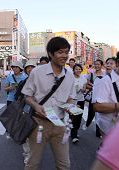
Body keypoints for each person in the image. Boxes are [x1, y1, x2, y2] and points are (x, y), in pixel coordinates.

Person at [22, 36, 75, 170]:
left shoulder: (69, 75)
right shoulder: (37, 72)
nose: (64, 55)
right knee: (32, 164)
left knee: (64, 165)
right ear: (51, 54)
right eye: (60, 52)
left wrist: (70, 106)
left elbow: (70, 97)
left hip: (59, 123)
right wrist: (36, 106)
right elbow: (27, 96)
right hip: (38, 123)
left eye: (66, 52)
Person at [82, 59, 105, 138]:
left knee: (100, 115)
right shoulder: (91, 74)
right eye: (96, 64)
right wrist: (92, 86)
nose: (97, 66)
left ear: (101, 65)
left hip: (102, 97)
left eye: (99, 64)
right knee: (91, 112)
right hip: (93, 96)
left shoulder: (105, 74)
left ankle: (98, 132)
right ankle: (88, 123)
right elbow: (87, 84)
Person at [71, 64, 87, 143]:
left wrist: (82, 90)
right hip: (72, 100)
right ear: (73, 70)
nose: (78, 70)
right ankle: (73, 135)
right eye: (76, 69)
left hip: (81, 100)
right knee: (73, 118)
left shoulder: (83, 78)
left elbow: (84, 90)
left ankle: (74, 132)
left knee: (79, 118)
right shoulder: (70, 78)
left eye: (79, 69)